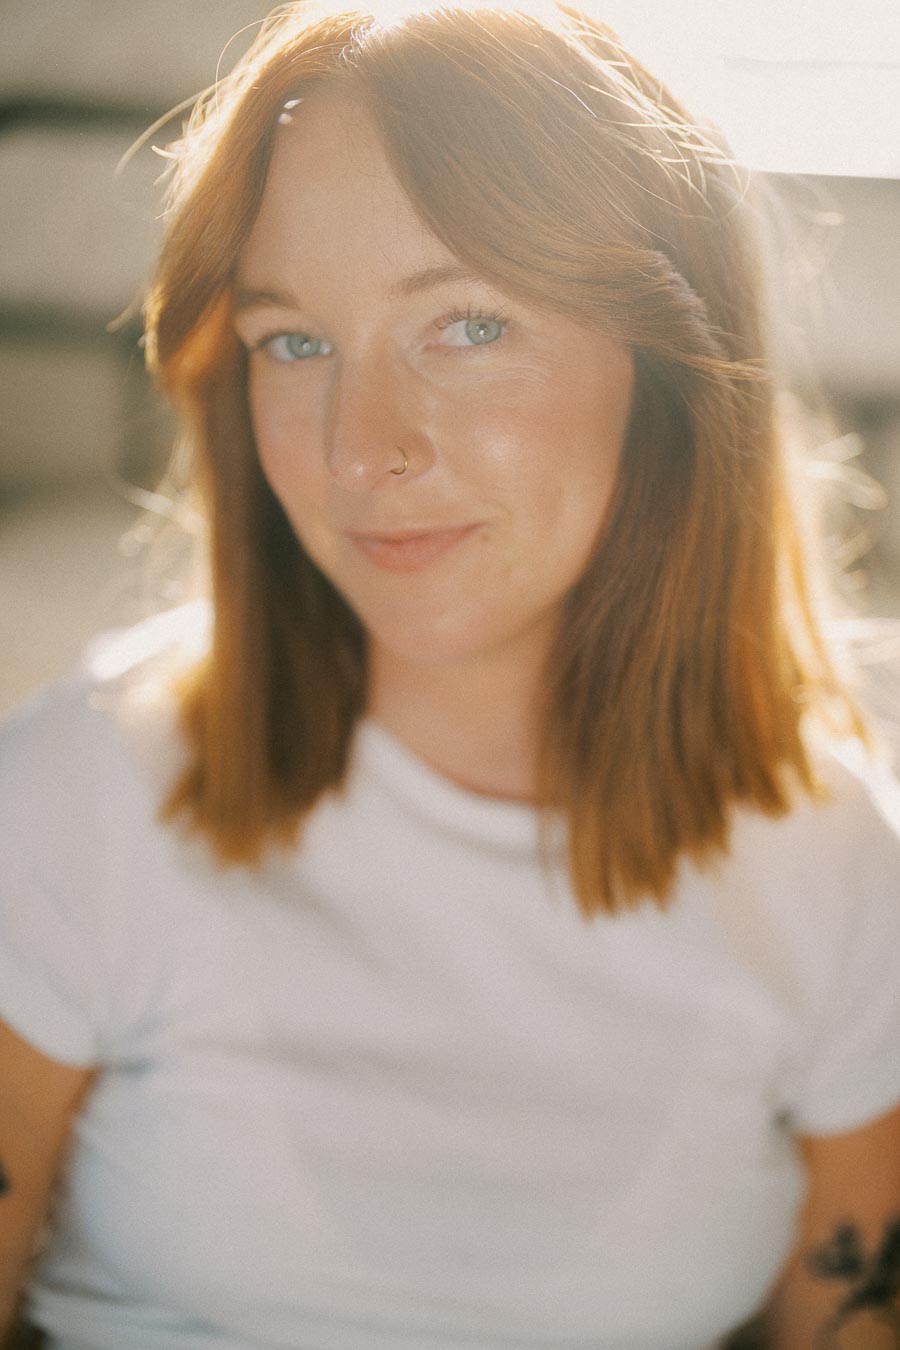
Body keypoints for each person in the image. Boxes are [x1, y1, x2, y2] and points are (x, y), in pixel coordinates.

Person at [1, 1, 899, 1347]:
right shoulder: (78, 799)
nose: (362, 450)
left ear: (665, 363)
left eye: (465, 324)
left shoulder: (838, 869)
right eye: (293, 341)